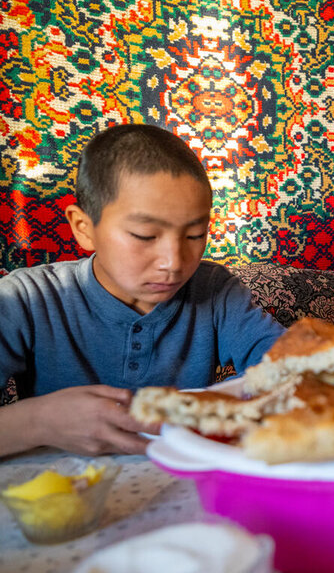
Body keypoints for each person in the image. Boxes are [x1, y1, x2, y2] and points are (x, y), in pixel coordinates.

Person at [0, 124, 285, 457]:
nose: (174, 262)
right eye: (145, 235)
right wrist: (38, 422)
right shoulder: (27, 299)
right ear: (84, 228)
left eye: (194, 236)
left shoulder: (215, 291)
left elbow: (288, 368)